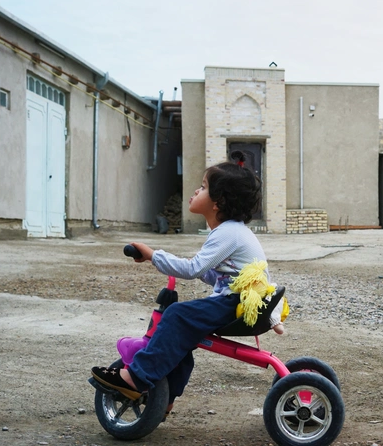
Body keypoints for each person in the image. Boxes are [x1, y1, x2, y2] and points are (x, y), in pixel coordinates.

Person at [91, 152, 278, 414]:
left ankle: (136, 377)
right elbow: (215, 274)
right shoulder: (233, 232)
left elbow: (192, 268)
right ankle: (165, 400)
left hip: (237, 303)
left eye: (203, 187)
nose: (195, 190)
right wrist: (195, 268)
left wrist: (153, 255)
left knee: (177, 315)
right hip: (239, 300)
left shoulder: (227, 233)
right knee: (183, 333)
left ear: (218, 202)